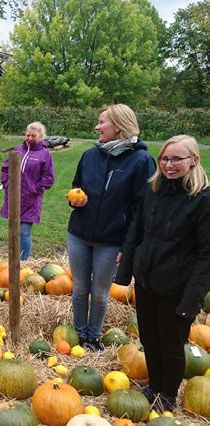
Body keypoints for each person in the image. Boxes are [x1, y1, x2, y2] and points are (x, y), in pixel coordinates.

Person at [115, 135, 210, 412]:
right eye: (165, 159)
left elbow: (206, 255)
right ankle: (153, 386)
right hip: (147, 280)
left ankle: (167, 393)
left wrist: (192, 299)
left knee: (171, 344)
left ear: (194, 160)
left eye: (177, 159)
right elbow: (138, 230)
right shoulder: (154, 190)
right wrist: (127, 269)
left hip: (177, 287)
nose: (169, 165)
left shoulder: (202, 200)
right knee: (149, 339)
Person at [67, 104, 155, 351]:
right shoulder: (90, 156)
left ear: (118, 126)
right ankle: (78, 332)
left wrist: (128, 246)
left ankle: (93, 336)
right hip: (79, 234)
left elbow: (141, 209)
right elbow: (76, 187)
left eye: (102, 122)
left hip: (111, 240)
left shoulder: (141, 161)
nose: (97, 126)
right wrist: (75, 199)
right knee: (80, 288)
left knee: (100, 292)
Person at [0, 121, 55, 260]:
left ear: (40, 136)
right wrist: (7, 184)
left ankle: (23, 261)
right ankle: (13, 258)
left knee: (24, 231)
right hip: (13, 196)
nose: (30, 138)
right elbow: (5, 169)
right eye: (28, 135)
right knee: (13, 229)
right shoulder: (18, 149)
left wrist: (35, 189)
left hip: (30, 199)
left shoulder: (44, 154)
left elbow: (48, 177)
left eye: (33, 136)